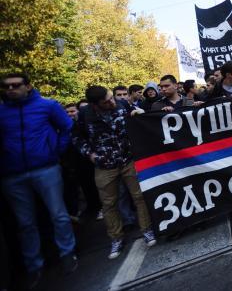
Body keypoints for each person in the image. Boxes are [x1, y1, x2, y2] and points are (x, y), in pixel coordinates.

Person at [0, 73, 78, 287]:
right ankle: (34, 266)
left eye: (16, 85)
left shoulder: (48, 106)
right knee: (25, 223)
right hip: (12, 175)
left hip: (46, 169)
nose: (10, 90)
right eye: (6, 87)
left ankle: (67, 254)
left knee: (58, 215)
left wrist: (56, 151)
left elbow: (67, 127)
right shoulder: (1, 111)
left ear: (28, 86)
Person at [74, 86, 156, 259]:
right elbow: (76, 137)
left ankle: (147, 230)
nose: (112, 102)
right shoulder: (84, 115)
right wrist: (90, 154)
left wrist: (137, 112)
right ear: (95, 105)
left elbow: (135, 115)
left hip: (128, 159)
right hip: (104, 165)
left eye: (112, 98)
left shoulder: (121, 105)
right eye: (107, 101)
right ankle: (116, 238)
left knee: (139, 196)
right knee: (109, 204)